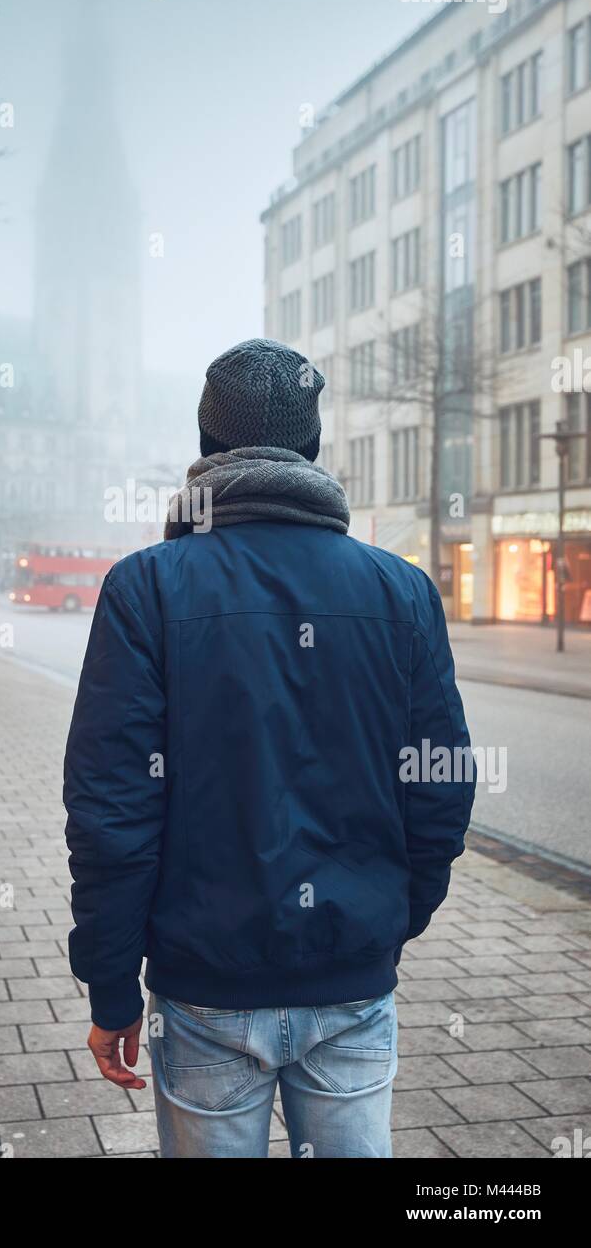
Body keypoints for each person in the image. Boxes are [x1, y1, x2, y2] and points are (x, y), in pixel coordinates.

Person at [63, 337, 475, 1159]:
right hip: (352, 981)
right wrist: (389, 919)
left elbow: (112, 810)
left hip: (206, 987)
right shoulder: (401, 591)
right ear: (313, 446)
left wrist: (112, 987)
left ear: (209, 447)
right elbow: (442, 782)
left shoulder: (145, 588)